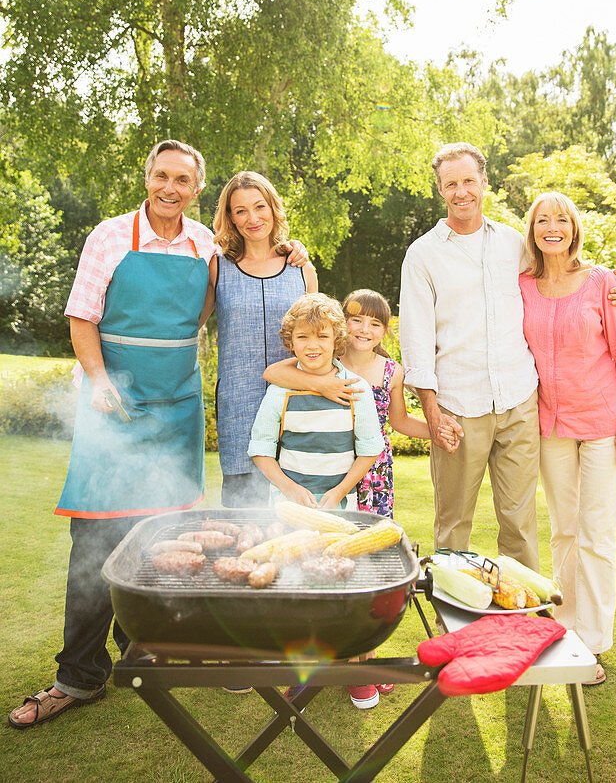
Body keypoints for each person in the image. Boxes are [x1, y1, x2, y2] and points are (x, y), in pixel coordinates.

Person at [9, 139, 217, 730]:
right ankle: (78, 677)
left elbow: (206, 309)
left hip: (175, 407)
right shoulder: (107, 236)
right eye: (161, 176)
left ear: (196, 188)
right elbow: (82, 318)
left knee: (160, 532)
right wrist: (101, 381)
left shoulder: (206, 244)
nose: (170, 188)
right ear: (147, 177)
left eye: (182, 179)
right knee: (97, 540)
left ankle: (142, 647)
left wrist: (295, 251)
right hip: (112, 401)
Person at [398, 142, 616, 567]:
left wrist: (608, 286)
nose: (461, 191)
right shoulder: (423, 254)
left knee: (520, 526)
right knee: (453, 526)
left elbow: (559, 269)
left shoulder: (512, 244)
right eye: (451, 184)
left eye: (469, 180)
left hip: (519, 403)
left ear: (485, 182)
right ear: (440, 190)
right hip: (458, 408)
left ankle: (520, 628)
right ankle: (458, 627)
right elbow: (415, 340)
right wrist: (431, 413)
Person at [518, 191, 616, 686]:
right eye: (543, 219)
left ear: (574, 229)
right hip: (550, 425)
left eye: (562, 220)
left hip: (602, 425)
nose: (553, 227)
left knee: (596, 534)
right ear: (533, 230)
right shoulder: (522, 285)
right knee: (564, 531)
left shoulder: (602, 283)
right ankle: (563, 629)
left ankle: (592, 641)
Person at [249, 292, 386, 711]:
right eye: (303, 337)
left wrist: (339, 493)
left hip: (337, 512)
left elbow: (368, 450)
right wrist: (288, 489)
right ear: (291, 342)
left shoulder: (356, 389)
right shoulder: (281, 393)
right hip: (287, 508)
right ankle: (298, 669)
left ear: (336, 341)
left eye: (322, 337)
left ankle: (352, 671)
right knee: (294, 589)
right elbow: (260, 450)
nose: (313, 345)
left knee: (340, 593)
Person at [264, 288, 457, 518]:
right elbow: (272, 373)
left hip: (373, 467)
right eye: (356, 320)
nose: (365, 329)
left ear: (385, 331)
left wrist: (436, 431)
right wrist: (322, 384)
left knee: (369, 534)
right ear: (341, 325)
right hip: (332, 462)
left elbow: (400, 421)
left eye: (375, 324)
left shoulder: (391, 372)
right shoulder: (325, 359)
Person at [211, 171, 314, 508]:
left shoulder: (300, 267)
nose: (252, 218)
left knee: (298, 520)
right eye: (240, 210)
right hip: (239, 408)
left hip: (297, 406)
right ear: (229, 218)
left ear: (273, 208)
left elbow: (322, 338)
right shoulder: (218, 267)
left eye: (259, 206)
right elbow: (189, 323)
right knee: (244, 522)